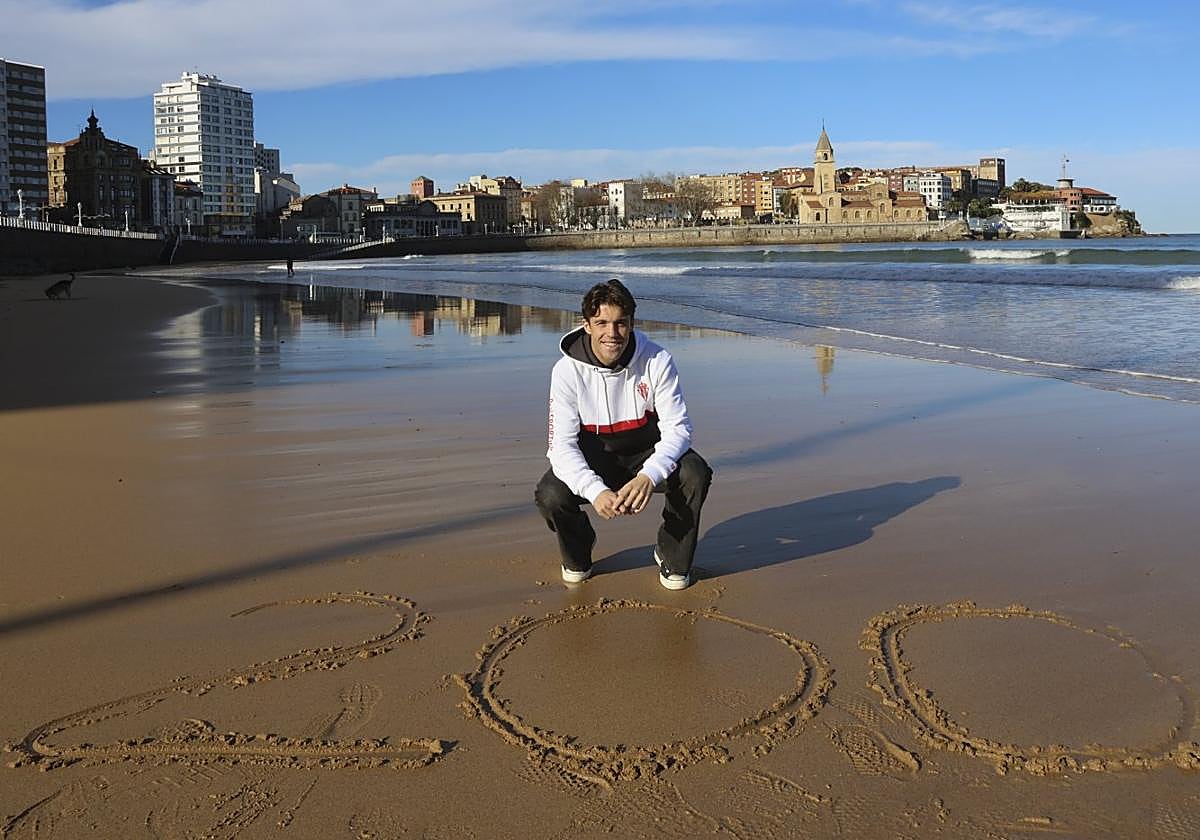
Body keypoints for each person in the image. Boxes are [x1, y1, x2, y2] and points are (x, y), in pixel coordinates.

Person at [535, 279, 713, 589]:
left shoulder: (657, 360)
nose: (612, 333)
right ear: (587, 325)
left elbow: (679, 429)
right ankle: (580, 547)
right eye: (602, 323)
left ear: (631, 323)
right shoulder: (565, 372)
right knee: (550, 494)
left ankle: (671, 552)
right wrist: (594, 490)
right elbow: (560, 448)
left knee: (695, 473)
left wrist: (649, 476)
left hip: (646, 450)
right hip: (595, 455)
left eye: (621, 323)